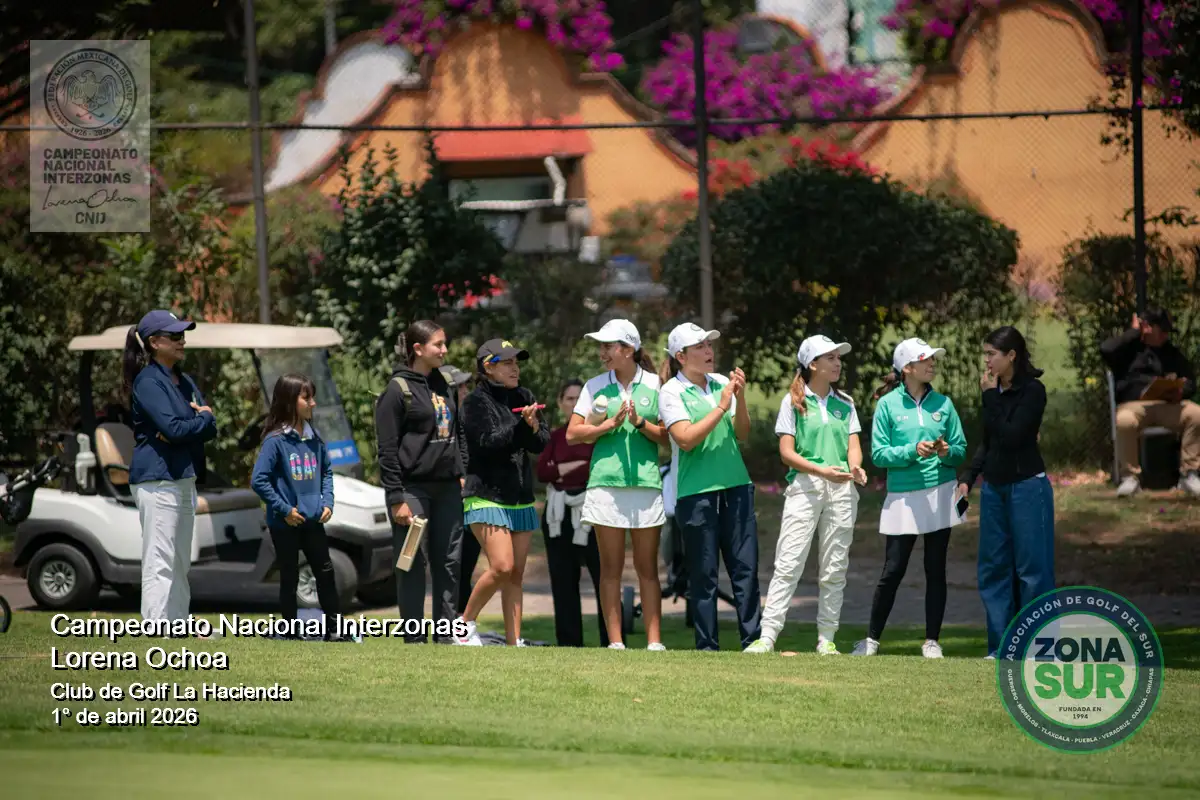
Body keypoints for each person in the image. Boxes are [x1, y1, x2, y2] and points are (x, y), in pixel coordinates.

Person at [745, 335, 867, 656]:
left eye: (838, 358)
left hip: (842, 489)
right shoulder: (792, 402)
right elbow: (786, 453)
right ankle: (767, 637)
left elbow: (853, 446)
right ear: (813, 364)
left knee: (834, 568)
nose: (838, 363)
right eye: (831, 358)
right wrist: (821, 470)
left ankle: (827, 639)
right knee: (789, 563)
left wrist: (856, 467)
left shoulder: (846, 403)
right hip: (805, 487)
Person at [854, 337, 967, 659]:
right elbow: (879, 454)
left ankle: (932, 641)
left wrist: (946, 452)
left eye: (933, 359)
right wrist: (911, 450)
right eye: (925, 359)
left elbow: (960, 450)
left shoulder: (944, 404)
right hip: (902, 495)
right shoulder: (887, 405)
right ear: (907, 368)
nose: (932, 364)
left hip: (940, 492)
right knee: (893, 569)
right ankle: (871, 640)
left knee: (936, 568)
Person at [658, 322, 761, 652]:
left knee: (745, 570)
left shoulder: (720, 384)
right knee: (703, 575)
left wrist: (739, 398)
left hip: (737, 486)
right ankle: (707, 647)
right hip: (696, 493)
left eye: (709, 345)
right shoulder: (671, 392)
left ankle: (754, 642)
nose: (708, 351)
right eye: (700, 347)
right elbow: (685, 439)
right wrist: (721, 405)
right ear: (680, 356)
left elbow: (742, 433)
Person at [567, 320, 669, 651]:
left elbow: (668, 437)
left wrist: (639, 422)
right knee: (609, 569)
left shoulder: (657, 384)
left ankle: (654, 643)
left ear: (627, 349)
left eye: (607, 346)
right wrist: (606, 426)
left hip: (646, 484)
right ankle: (615, 643)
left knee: (647, 568)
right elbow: (573, 433)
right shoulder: (595, 385)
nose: (602, 352)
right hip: (605, 485)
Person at [958, 326, 1055, 659]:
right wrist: (969, 477)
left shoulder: (1033, 392)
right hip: (994, 490)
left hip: (1028, 488)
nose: (986, 361)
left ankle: (1041, 649)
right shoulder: (995, 391)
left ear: (1011, 355)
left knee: (1032, 571)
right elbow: (990, 440)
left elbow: (1013, 436)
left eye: (992, 354)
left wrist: (990, 397)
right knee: (994, 568)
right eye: (985, 354)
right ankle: (1001, 648)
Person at [374, 321, 466, 645]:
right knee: (411, 561)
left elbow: (458, 432)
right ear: (417, 349)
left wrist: (462, 470)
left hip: (447, 489)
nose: (444, 350)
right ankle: (413, 639)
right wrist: (396, 497)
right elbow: (386, 450)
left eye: (444, 343)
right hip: (412, 491)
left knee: (449, 562)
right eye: (438, 344)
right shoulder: (396, 390)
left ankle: (445, 635)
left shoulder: (447, 384)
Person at [454, 339, 550, 646]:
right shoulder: (474, 403)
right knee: (502, 566)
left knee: (515, 574)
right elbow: (488, 442)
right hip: (486, 494)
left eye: (516, 362)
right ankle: (463, 625)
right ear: (488, 367)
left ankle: (513, 641)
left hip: (520, 497)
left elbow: (541, 443)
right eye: (507, 363)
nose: (515, 368)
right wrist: (522, 427)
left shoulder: (524, 396)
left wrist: (532, 428)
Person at [124, 310, 217, 622]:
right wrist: (197, 421)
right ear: (154, 342)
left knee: (180, 561)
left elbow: (208, 426)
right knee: (160, 558)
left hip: (183, 477)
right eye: (175, 336)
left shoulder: (184, 380)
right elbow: (177, 429)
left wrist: (199, 420)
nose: (182, 341)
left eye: (183, 335)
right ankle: (156, 626)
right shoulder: (148, 381)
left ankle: (177, 623)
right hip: (157, 479)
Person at [251, 373, 349, 641]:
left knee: (325, 572)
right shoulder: (275, 441)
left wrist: (327, 502)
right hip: (285, 523)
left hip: (313, 520)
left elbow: (326, 472)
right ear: (289, 401)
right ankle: (290, 631)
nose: (313, 403)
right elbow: (259, 480)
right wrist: (284, 509)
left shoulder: (314, 437)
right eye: (307, 398)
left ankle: (334, 631)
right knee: (290, 576)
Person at [536, 379, 609, 647]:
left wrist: (562, 468)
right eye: (569, 399)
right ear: (560, 403)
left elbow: (599, 468)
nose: (575, 403)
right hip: (558, 514)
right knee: (563, 580)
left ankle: (612, 641)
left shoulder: (600, 434)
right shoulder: (555, 437)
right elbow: (542, 471)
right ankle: (569, 643)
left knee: (604, 577)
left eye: (580, 399)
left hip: (594, 511)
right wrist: (576, 465)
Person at [1100, 307, 1200, 497]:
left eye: (1167, 332)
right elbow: (1106, 349)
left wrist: (1181, 391)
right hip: (1134, 406)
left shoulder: (1170, 352)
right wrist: (1133, 332)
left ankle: (1189, 474)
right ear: (1147, 327)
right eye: (1161, 331)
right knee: (1125, 421)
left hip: (1167, 405)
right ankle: (1130, 478)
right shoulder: (1127, 349)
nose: (1165, 336)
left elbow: (1190, 381)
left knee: (1196, 414)